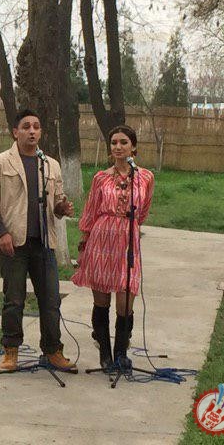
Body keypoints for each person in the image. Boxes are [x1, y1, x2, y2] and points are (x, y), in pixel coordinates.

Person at [0, 109, 76, 372]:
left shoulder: (50, 164)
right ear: (15, 132)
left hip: (43, 243)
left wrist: (62, 208)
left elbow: (57, 202)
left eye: (36, 126)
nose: (32, 131)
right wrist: (2, 233)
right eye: (26, 127)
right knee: (14, 300)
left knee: (51, 301)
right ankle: (11, 352)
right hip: (13, 244)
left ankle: (53, 351)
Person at [72, 125, 154, 369]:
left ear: (133, 146)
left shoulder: (145, 177)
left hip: (127, 241)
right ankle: (105, 355)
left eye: (123, 142)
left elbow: (144, 210)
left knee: (126, 300)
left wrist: (129, 227)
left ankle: (121, 353)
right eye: (114, 142)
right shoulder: (101, 177)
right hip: (101, 241)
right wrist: (84, 245)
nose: (118, 147)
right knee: (101, 300)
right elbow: (90, 211)